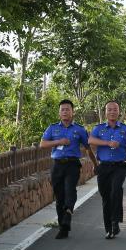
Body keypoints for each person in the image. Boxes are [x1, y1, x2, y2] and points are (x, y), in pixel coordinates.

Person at [39, 99, 97, 239]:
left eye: (67, 109)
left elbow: (88, 148)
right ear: (59, 113)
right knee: (59, 196)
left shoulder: (79, 129)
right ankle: (63, 226)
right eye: (62, 110)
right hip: (57, 165)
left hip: (72, 164)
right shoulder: (52, 128)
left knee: (70, 189)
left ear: (72, 112)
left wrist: (95, 163)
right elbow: (43, 144)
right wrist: (58, 141)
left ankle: (69, 211)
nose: (65, 112)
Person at [89, 100, 126, 239]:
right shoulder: (99, 128)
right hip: (104, 167)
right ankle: (109, 228)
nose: (112, 112)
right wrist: (107, 143)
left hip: (119, 166)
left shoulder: (125, 129)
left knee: (116, 190)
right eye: (109, 109)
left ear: (119, 112)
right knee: (105, 196)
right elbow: (90, 141)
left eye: (115, 109)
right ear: (105, 112)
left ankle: (115, 221)